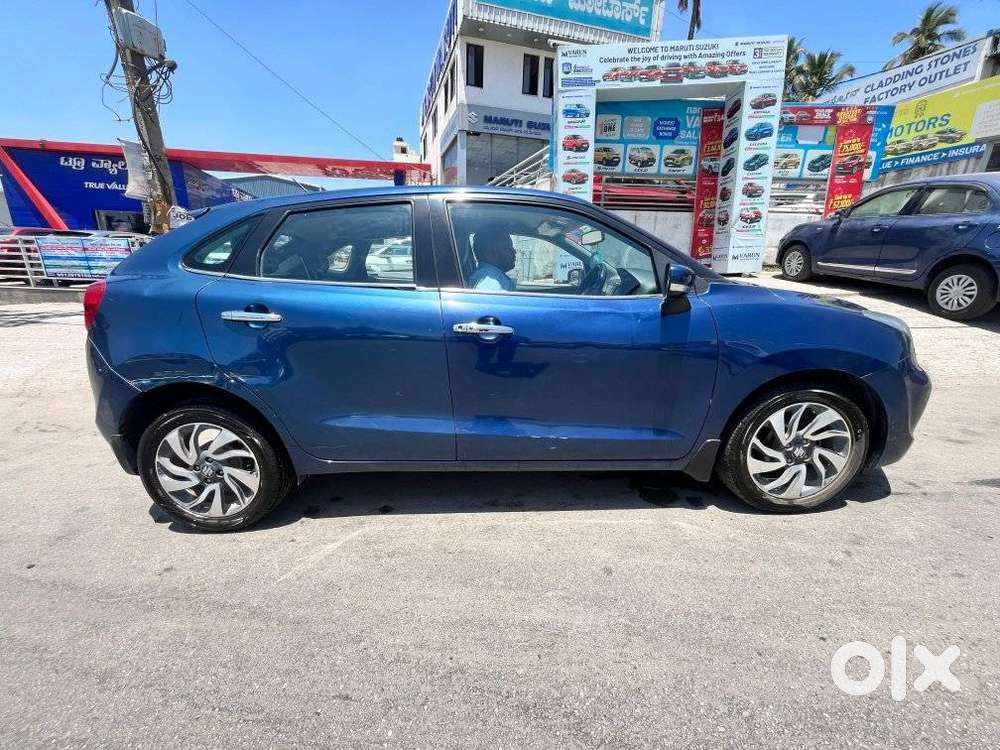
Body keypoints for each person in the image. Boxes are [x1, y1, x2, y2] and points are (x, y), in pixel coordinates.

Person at [468, 223, 516, 291]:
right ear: (491, 253)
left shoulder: (490, 276)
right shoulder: (491, 282)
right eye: (507, 247)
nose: (514, 251)